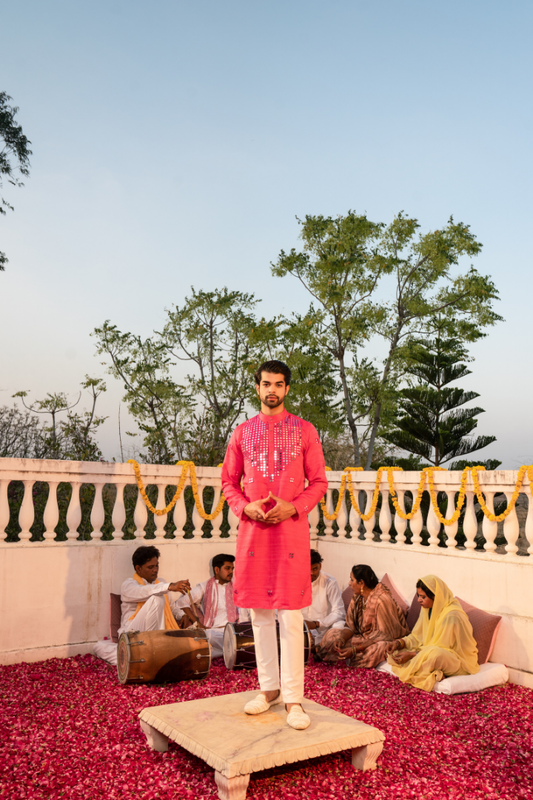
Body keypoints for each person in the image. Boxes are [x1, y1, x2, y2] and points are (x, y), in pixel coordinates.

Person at [221, 359, 328, 730]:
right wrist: (244, 506)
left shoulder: (305, 431)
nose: (272, 390)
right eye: (266, 384)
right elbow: (228, 483)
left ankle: (294, 699)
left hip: (291, 532)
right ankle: (268, 689)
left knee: (291, 613)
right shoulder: (242, 432)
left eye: (279, 385)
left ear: (286, 389)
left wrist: (293, 507)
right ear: (257, 388)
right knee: (259, 614)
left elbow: (319, 482)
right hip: (253, 532)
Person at [386, 575, 479, 692]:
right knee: (395, 651)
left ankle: (433, 673)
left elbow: (441, 647)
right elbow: (417, 637)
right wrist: (399, 643)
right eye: (418, 596)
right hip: (428, 652)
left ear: (436, 597)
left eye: (423, 597)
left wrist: (412, 655)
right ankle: (433, 672)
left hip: (456, 660)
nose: (419, 600)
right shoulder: (427, 609)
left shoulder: (452, 615)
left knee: (435, 655)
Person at [316, 564, 409, 667]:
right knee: (332, 634)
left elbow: (385, 636)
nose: (349, 583)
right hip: (363, 638)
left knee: (376, 649)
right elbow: (350, 626)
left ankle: (351, 665)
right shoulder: (357, 597)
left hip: (384, 640)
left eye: (352, 580)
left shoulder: (382, 600)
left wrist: (355, 649)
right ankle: (336, 658)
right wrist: (341, 640)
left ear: (361, 583)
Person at [177, 553, 243, 658]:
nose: (231, 572)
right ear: (217, 570)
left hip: (235, 630)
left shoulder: (237, 584)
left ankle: (226, 652)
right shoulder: (204, 587)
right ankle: (232, 651)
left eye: (232, 568)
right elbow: (181, 602)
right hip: (215, 632)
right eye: (227, 568)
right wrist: (196, 622)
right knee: (208, 636)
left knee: (242, 637)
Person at [118, 545, 190, 636]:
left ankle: (158, 640)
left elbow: (171, 608)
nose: (155, 570)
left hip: (156, 629)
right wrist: (169, 586)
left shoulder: (161, 583)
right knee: (157, 598)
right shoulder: (128, 585)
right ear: (138, 569)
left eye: (156, 566)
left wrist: (182, 615)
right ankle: (157, 640)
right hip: (132, 630)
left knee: (159, 597)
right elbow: (144, 591)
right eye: (150, 567)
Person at [302, 550, 345, 647]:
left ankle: (320, 648)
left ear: (320, 566)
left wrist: (317, 623)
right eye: (308, 569)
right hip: (301, 629)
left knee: (340, 625)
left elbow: (339, 612)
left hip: (324, 630)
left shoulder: (330, 582)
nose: (311, 573)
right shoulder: (295, 581)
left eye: (315, 569)